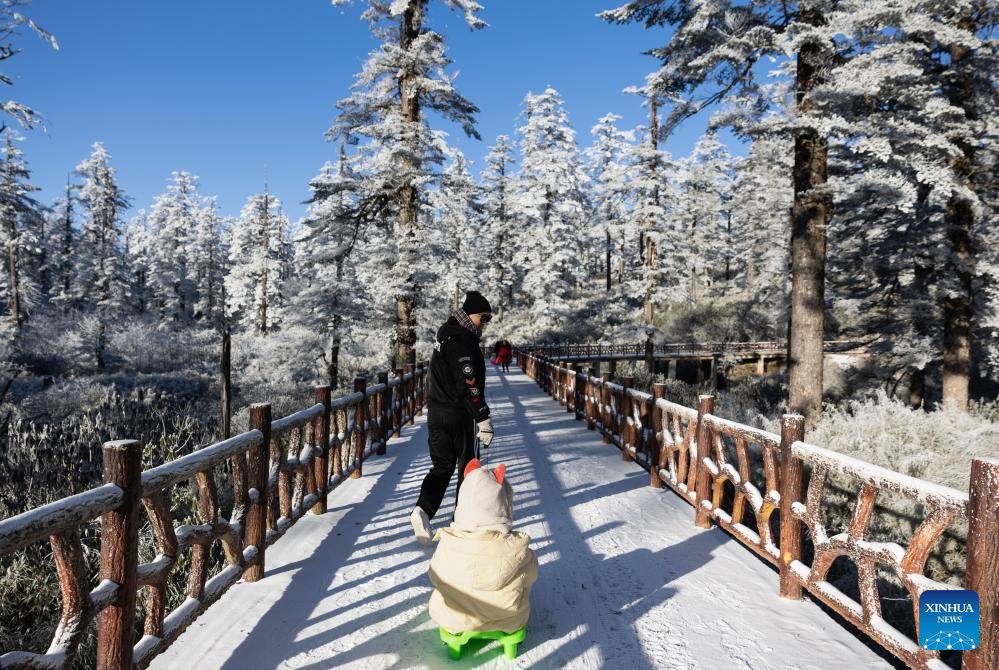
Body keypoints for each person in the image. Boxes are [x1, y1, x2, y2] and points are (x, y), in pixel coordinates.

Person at [411, 291, 495, 545]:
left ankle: (422, 510)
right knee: (467, 467)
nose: (485, 322)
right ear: (471, 314)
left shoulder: (446, 335)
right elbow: (468, 384)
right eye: (484, 317)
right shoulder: (461, 341)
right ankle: (462, 520)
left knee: (442, 466)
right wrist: (482, 418)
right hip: (457, 415)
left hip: (436, 413)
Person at [428, 458, 538, 635]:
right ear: (503, 506)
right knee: (523, 579)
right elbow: (532, 574)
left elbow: (434, 575)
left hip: (453, 619)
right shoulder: (516, 547)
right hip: (509, 620)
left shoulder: (448, 544)